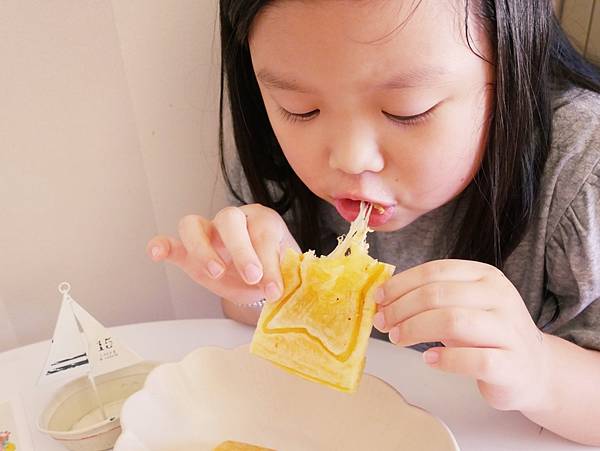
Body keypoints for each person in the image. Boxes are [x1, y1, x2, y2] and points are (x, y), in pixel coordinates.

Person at [147, 0, 600, 445]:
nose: (350, 159)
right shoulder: (289, 167)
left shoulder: (581, 169)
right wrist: (260, 281)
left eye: (407, 110)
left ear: (511, 63)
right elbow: (248, 315)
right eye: (300, 108)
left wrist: (540, 372)